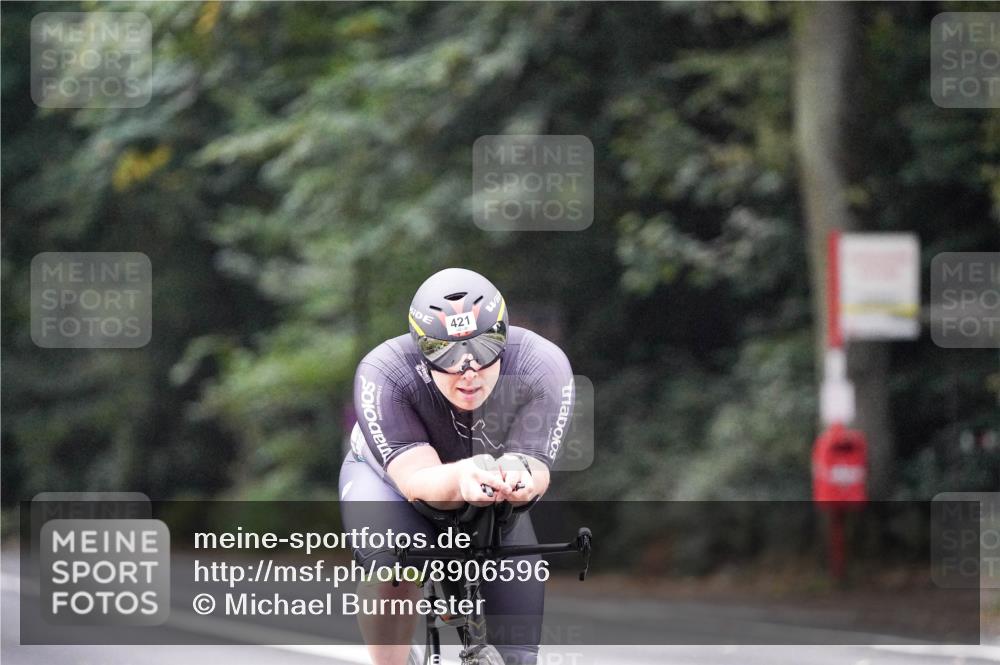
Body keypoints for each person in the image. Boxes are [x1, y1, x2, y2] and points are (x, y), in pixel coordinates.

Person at [339, 268, 575, 665]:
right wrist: (465, 475)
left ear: (504, 334)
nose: (468, 371)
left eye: (484, 349)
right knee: (394, 573)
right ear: (420, 349)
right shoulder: (385, 372)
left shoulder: (542, 364)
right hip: (390, 485)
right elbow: (416, 481)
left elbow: (534, 465)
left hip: (488, 492)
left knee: (517, 658)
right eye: (445, 354)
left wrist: (520, 477)